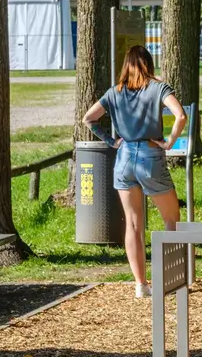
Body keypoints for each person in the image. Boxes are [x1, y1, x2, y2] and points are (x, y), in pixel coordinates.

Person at [80, 45, 187, 299]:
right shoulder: (158, 88)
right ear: (149, 64)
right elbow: (181, 116)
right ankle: (168, 280)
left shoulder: (114, 92)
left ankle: (141, 284)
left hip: (124, 157)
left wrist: (110, 140)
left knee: (133, 224)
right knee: (172, 220)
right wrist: (170, 141)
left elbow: (88, 119)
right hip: (151, 156)